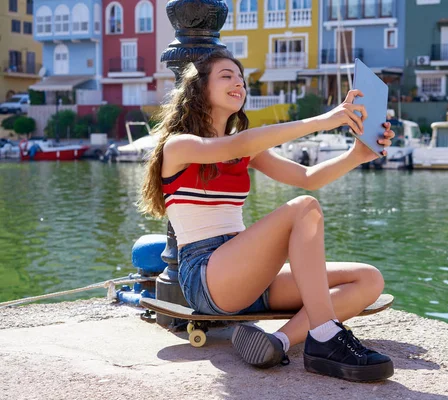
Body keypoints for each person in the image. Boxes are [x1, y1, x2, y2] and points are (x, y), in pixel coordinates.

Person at [139, 49, 395, 382]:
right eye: (226, 76)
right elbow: (239, 145)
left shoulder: (244, 148)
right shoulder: (180, 146)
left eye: (241, 79)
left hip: (247, 273)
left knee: (368, 279)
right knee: (304, 208)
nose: (239, 83)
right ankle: (326, 336)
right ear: (200, 89)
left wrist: (357, 154)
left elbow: (308, 177)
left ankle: (278, 341)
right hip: (206, 276)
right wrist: (327, 119)